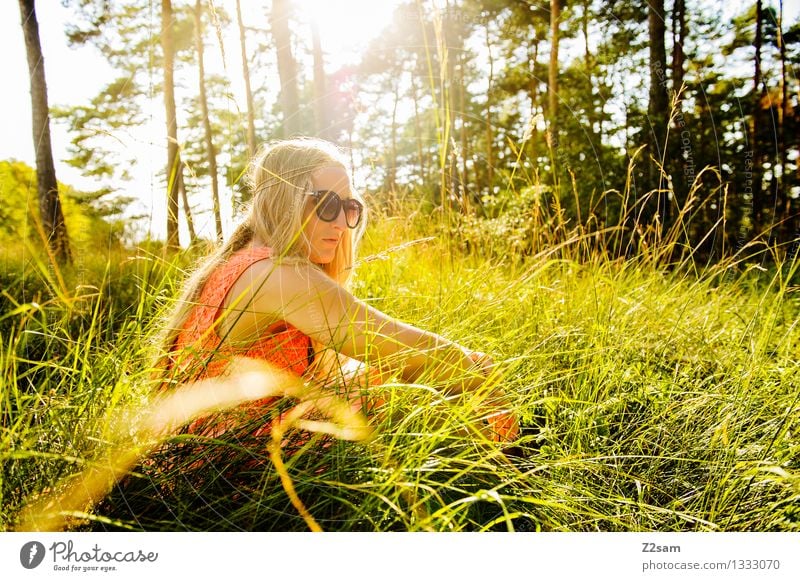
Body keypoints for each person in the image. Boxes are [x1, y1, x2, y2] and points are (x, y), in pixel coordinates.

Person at [157, 137, 518, 445]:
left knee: (389, 381)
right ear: (284, 200)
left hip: (215, 453)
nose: (342, 223)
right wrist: (482, 378)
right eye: (327, 205)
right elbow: (402, 347)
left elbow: (362, 362)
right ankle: (510, 470)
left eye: (349, 208)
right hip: (232, 471)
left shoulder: (245, 262)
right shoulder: (278, 275)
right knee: (416, 401)